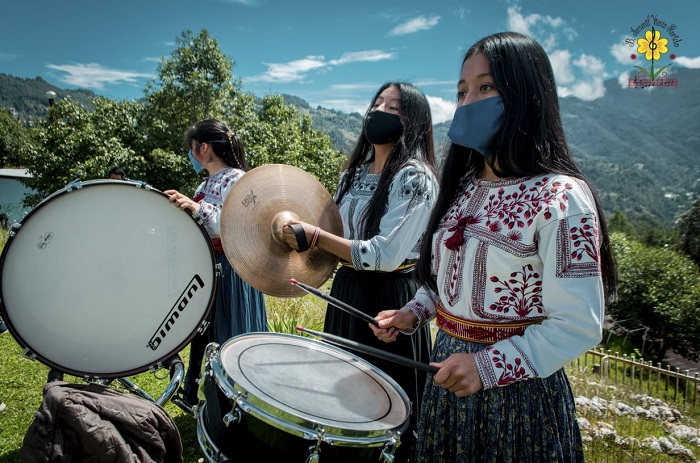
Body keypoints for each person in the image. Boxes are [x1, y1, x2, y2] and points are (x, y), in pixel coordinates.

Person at [371, 32, 617, 463]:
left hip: (517, 397)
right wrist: (416, 312)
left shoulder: (561, 197)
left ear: (526, 95)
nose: (468, 103)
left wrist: (488, 368)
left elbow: (578, 324)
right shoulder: (463, 189)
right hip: (446, 373)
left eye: (486, 88)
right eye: (462, 91)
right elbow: (448, 277)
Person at [282, 82, 439, 462]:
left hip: (391, 299)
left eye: (394, 107)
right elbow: (335, 234)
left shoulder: (415, 178)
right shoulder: (352, 174)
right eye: (377, 102)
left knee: (384, 409)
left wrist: (317, 236)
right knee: (341, 395)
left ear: (414, 120)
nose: (380, 110)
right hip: (348, 289)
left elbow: (384, 254)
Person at [165, 119, 268, 407]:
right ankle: (202, 397)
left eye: (192, 148)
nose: (191, 154)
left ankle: (233, 400)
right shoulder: (206, 181)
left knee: (229, 331)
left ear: (204, 147)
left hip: (232, 269)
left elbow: (235, 224)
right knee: (206, 332)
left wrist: (196, 207)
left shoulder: (237, 179)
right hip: (210, 268)